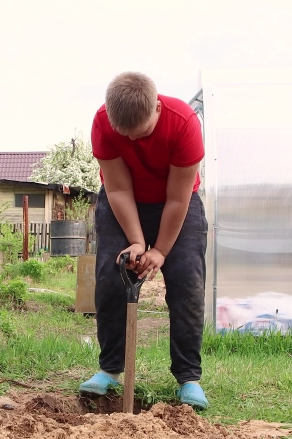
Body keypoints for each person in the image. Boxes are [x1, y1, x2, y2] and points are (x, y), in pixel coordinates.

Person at [79, 71, 209, 409]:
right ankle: (109, 371)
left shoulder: (184, 125)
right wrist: (137, 243)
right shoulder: (102, 124)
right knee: (109, 279)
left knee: (187, 283)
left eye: (143, 134)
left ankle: (188, 378)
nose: (134, 142)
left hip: (177, 203)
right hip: (123, 201)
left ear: (157, 109)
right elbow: (119, 188)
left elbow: (178, 199)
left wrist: (161, 250)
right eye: (127, 136)